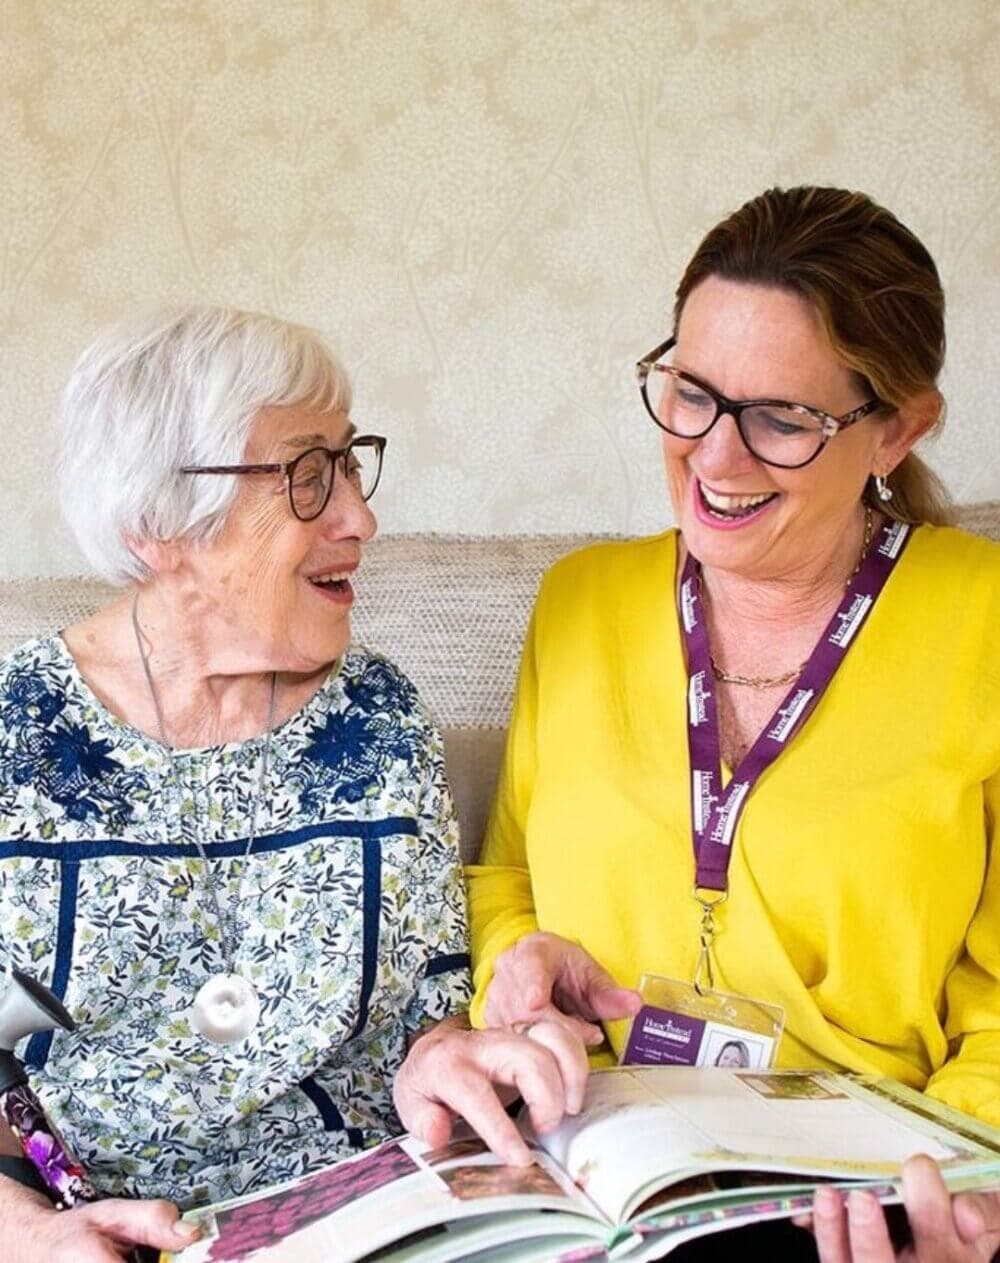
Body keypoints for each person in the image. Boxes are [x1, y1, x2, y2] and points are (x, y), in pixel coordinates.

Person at [467, 187, 1000, 1261]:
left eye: (781, 419)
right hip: (594, 1167)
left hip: (862, 1186)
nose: (714, 457)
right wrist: (513, 967)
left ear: (896, 428)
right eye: (691, 394)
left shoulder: (982, 620)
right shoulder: (581, 600)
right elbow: (506, 874)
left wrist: (952, 1183)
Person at [0, 305, 583, 1263]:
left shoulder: (377, 719)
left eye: (350, 463)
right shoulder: (20, 732)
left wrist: (450, 1062)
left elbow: (422, 1018)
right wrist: (29, 1234)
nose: (360, 516)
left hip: (376, 1223)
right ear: (159, 523)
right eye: (309, 474)